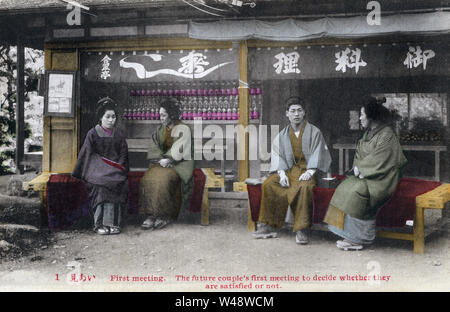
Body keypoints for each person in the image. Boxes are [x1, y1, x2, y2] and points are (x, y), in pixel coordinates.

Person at [324, 96, 407, 251]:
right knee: (344, 187)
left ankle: (361, 238)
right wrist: (359, 168)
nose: (360, 118)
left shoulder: (387, 134)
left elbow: (382, 159)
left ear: (372, 116)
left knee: (357, 191)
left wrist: (362, 169)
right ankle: (348, 234)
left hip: (383, 177)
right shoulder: (368, 133)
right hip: (368, 174)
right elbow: (360, 155)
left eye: (362, 114)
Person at [253, 96, 332, 244]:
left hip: (308, 172)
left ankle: (301, 229)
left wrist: (310, 172)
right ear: (287, 113)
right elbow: (278, 155)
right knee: (269, 184)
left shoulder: (315, 132)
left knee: (304, 187)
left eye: (299, 111)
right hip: (288, 171)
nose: (296, 114)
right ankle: (268, 225)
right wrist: (281, 173)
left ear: (304, 113)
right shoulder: (282, 135)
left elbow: (319, 153)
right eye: (293, 111)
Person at [72, 97, 129, 235]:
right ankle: (99, 224)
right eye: (108, 117)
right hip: (97, 172)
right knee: (102, 186)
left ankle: (113, 224)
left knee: (115, 182)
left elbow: (123, 155)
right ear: (100, 118)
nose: (111, 120)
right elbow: (88, 156)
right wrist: (102, 169)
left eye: (114, 117)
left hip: (115, 171)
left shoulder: (119, 135)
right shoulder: (92, 134)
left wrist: (116, 168)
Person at [139, 98, 194, 230]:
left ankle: (163, 215)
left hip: (180, 164)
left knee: (163, 179)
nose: (161, 118)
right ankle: (151, 215)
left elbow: (181, 147)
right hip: (161, 163)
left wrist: (169, 159)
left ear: (172, 114)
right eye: (160, 115)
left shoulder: (184, 129)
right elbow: (154, 146)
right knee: (148, 178)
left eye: (164, 115)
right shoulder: (160, 130)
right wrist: (160, 160)